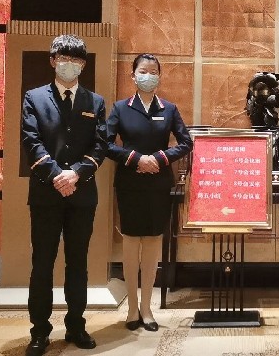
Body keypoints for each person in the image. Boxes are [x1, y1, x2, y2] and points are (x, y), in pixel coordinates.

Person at [20, 34, 107, 356]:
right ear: (53, 61)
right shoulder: (34, 97)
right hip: (46, 193)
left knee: (78, 263)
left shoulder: (94, 102)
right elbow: (31, 141)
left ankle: (76, 325)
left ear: (83, 64)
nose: (69, 65)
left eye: (75, 60)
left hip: (82, 195)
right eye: (63, 59)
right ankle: (39, 331)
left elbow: (100, 145)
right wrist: (57, 175)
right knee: (42, 263)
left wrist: (77, 174)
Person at [106, 53, 193, 332]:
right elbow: (105, 143)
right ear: (133, 76)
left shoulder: (169, 109)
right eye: (143, 71)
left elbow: (186, 142)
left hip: (158, 184)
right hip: (130, 184)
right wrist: (135, 159)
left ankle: (147, 309)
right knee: (131, 243)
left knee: (154, 242)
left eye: (154, 72)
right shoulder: (121, 108)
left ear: (159, 77)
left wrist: (160, 158)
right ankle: (132, 308)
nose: (148, 76)